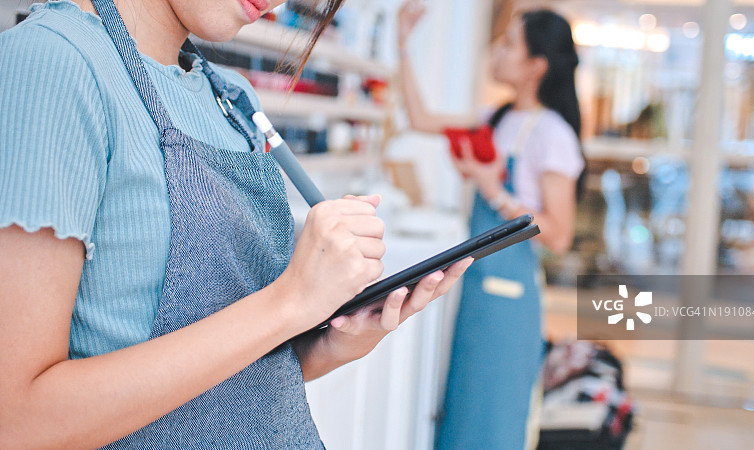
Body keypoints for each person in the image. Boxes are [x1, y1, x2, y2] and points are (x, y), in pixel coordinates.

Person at [0, 0, 472, 447]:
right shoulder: (52, 62)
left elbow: (227, 386)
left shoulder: (232, 97)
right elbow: (17, 421)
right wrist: (289, 302)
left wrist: (331, 342)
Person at [397, 2, 585, 448]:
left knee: (493, 417)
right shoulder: (495, 118)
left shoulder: (553, 134)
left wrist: (493, 189)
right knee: (462, 409)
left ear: (536, 66)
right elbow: (421, 119)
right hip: (477, 286)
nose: (495, 53)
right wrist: (403, 42)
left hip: (510, 300)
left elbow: (559, 235)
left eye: (508, 45)